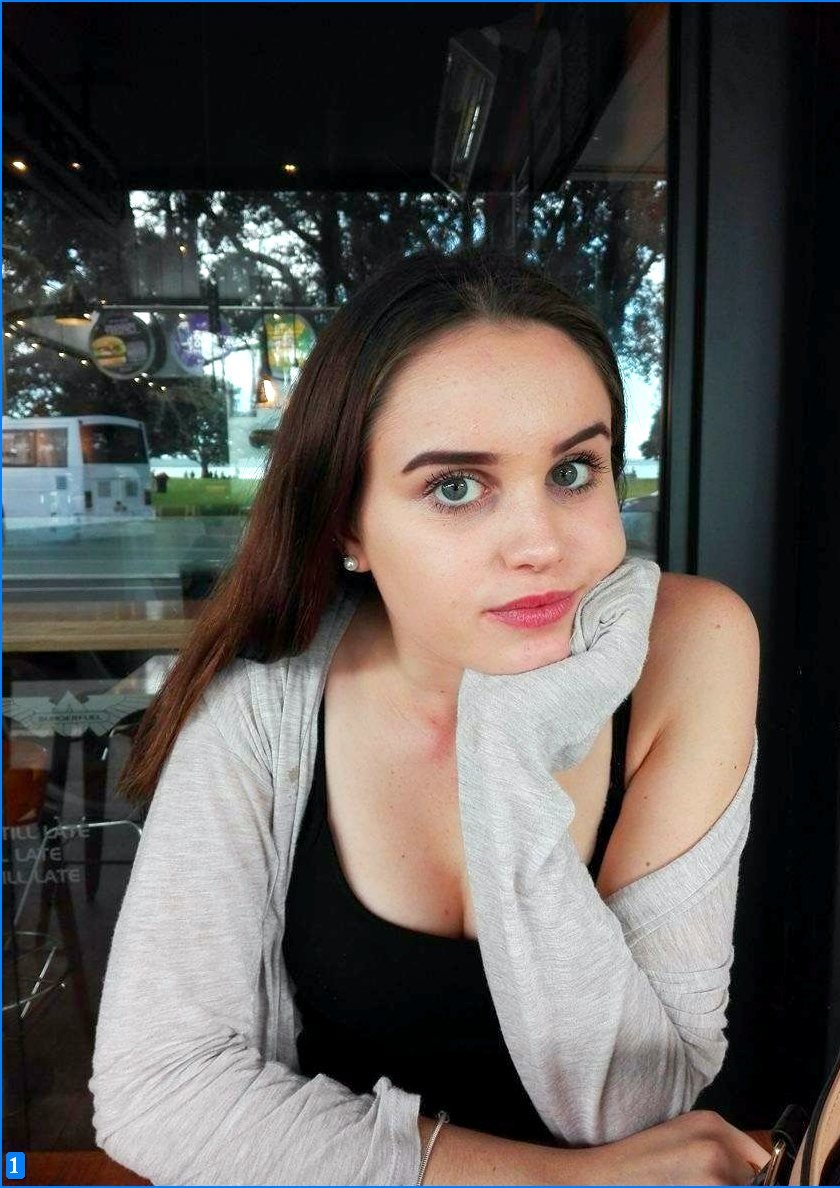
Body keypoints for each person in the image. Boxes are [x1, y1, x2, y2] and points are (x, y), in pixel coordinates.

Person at [90, 249, 766, 1185]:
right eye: (456, 486)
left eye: (574, 470)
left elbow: (630, 1097)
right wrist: (560, 1183)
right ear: (348, 525)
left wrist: (508, 737)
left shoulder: (692, 644)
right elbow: (158, 1090)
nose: (540, 546)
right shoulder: (265, 705)